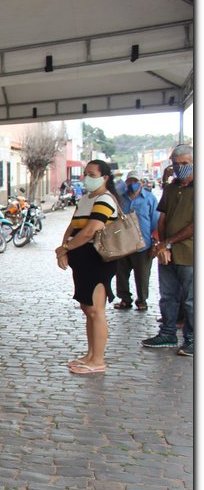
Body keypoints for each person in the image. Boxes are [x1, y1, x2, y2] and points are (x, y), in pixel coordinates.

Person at [55, 160, 119, 374]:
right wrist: (65, 246)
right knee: (87, 308)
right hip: (82, 261)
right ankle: (91, 354)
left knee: (95, 310)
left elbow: (90, 231)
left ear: (105, 178)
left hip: (97, 261)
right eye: (85, 173)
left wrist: (65, 249)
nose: (87, 177)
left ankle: (98, 360)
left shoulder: (105, 199)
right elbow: (73, 226)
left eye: (92, 174)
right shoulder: (85, 199)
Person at [142, 145, 194, 356]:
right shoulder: (172, 188)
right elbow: (162, 216)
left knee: (191, 300)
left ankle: (192, 339)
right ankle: (168, 333)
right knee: (168, 296)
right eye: (176, 164)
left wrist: (168, 243)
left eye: (185, 164)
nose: (180, 168)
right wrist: (162, 244)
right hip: (168, 253)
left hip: (190, 253)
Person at [112, 170, 159, 311]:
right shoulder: (120, 198)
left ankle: (142, 300)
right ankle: (124, 299)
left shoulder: (150, 199)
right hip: (123, 243)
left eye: (135, 181)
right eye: (130, 181)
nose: (132, 183)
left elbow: (155, 220)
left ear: (141, 182)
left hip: (143, 244)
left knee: (142, 274)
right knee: (121, 273)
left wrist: (155, 242)